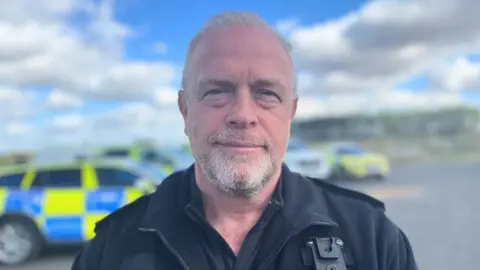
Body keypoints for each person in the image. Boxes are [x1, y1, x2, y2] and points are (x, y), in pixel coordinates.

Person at [72, 11, 418, 270]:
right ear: (185, 110)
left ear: (290, 114)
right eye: (217, 91)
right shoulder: (110, 251)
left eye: (266, 93)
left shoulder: (372, 240)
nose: (243, 114)